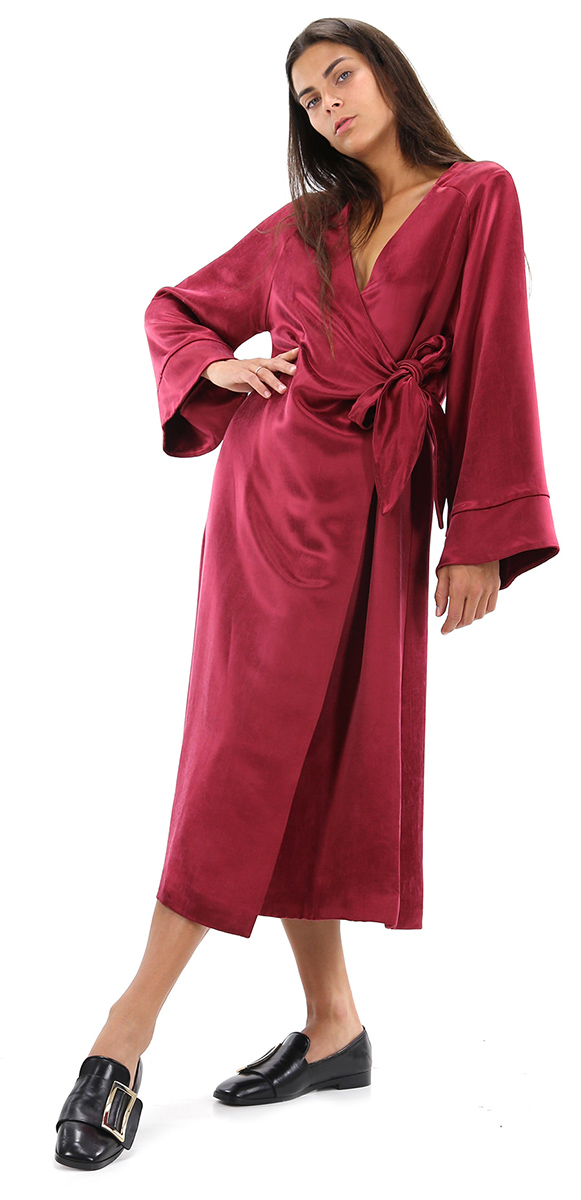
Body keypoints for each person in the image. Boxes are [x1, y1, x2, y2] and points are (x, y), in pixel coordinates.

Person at [54, 17, 559, 1169]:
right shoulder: (306, 224)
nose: (327, 103)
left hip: (377, 513)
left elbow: (496, 356)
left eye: (340, 76)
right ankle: (123, 1035)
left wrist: (477, 534)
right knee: (239, 756)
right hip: (264, 507)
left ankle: (332, 1026)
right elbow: (174, 309)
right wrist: (218, 365)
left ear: (386, 75)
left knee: (315, 760)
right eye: (307, 96)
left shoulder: (477, 196)